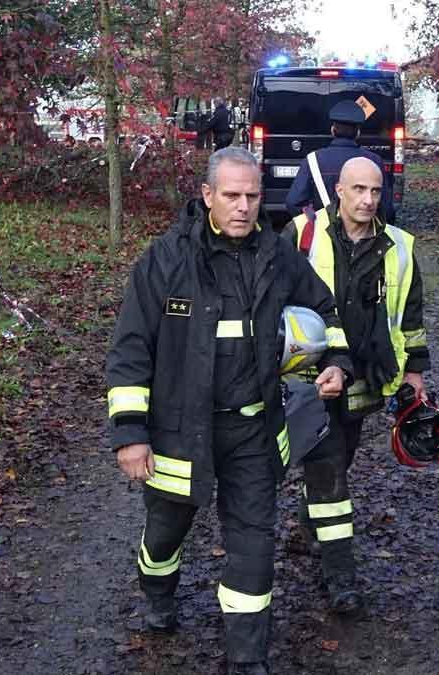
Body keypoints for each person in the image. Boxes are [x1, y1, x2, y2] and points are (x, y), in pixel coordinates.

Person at [105, 147, 352, 675]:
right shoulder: (165, 260)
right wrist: (129, 432)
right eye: (232, 196)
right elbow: (130, 349)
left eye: (253, 196)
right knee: (167, 529)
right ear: (208, 196)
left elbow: (324, 310)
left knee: (253, 543)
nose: (243, 207)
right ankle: (157, 590)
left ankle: (246, 656)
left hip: (254, 430)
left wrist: (336, 359)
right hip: (178, 432)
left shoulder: (279, 255)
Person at [282, 156, 430, 613]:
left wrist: (415, 370)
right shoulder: (301, 235)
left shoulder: (399, 246)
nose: (368, 200)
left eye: (376, 191)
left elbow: (412, 315)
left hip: (366, 372)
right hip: (311, 376)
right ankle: (339, 576)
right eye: (359, 190)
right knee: (328, 468)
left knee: (339, 458)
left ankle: (308, 525)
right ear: (339, 190)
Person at [284, 100, 395, 223]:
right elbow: (386, 209)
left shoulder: (312, 160)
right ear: (358, 132)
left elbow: (294, 202)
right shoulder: (374, 162)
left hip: (324, 234)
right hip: (363, 237)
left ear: (333, 130)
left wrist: (315, 221)